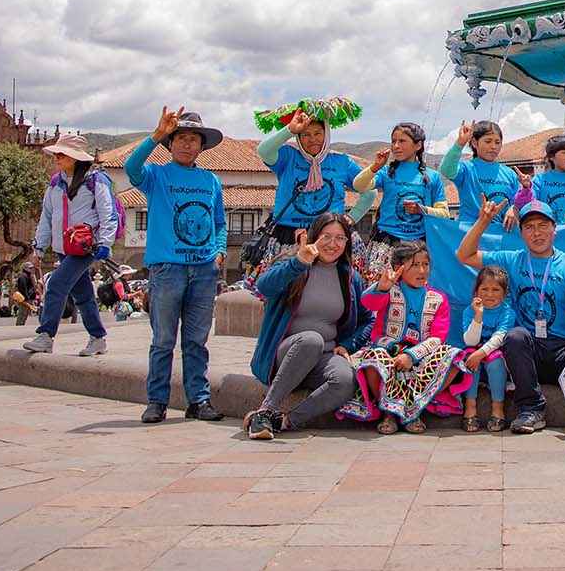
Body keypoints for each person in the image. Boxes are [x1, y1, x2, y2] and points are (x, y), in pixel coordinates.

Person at [457, 198, 565, 440]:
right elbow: (464, 255)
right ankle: (531, 409)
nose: (537, 232)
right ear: (521, 233)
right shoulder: (512, 260)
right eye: (529, 227)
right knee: (515, 336)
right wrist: (483, 221)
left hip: (563, 348)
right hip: (530, 351)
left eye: (543, 225)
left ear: (554, 229)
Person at [125, 108, 228, 425]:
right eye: (181, 138)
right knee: (163, 340)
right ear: (170, 144)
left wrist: (220, 252)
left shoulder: (211, 180)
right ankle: (157, 401)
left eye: (193, 139)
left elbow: (219, 222)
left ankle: (198, 399)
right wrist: (155, 134)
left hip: (204, 270)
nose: (187, 144)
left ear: (201, 146)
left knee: (196, 341)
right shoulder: (156, 176)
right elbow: (131, 167)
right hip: (167, 269)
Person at [243, 212, 373, 440]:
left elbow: (368, 320)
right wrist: (298, 263)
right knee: (311, 339)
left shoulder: (350, 277)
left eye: (340, 238)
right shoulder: (293, 262)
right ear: (314, 236)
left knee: (346, 379)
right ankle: (265, 410)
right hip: (287, 353)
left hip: (324, 356)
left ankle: (284, 421)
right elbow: (264, 287)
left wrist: (347, 344)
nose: (332, 244)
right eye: (326, 237)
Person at [339, 239, 470, 433]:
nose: (422, 271)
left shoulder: (438, 299)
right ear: (399, 268)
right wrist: (382, 287)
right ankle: (389, 413)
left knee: (453, 358)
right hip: (388, 353)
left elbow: (437, 337)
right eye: (414, 265)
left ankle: (411, 411)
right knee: (374, 360)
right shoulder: (389, 291)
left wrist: (412, 355)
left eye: (425, 264)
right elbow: (368, 303)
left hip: (420, 357)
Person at [254, 106, 376, 283]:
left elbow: (369, 191)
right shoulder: (288, 157)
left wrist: (352, 217)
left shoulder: (341, 162)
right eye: (305, 134)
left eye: (318, 133)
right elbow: (264, 151)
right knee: (285, 290)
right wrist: (290, 129)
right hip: (288, 237)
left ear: (326, 134)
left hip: (329, 237)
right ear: (298, 138)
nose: (312, 139)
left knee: (333, 287)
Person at [23, 133, 115, 358]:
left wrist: (105, 242)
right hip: (64, 248)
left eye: (61, 154)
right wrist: (38, 249)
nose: (56, 157)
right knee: (83, 295)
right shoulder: (56, 183)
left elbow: (107, 212)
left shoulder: (95, 180)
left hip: (85, 247)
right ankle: (97, 337)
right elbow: (47, 217)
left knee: (56, 285)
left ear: (74, 158)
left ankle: (46, 335)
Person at [351, 122, 449, 281]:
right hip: (386, 243)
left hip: (419, 246)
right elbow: (359, 185)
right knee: (380, 292)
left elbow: (444, 214)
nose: (396, 146)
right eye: (393, 141)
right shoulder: (386, 172)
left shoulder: (433, 177)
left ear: (418, 145)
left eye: (402, 141)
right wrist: (375, 166)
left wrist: (422, 210)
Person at [460, 265, 517, 433]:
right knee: (469, 358)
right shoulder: (469, 311)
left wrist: (481, 353)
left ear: (504, 293)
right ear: (477, 290)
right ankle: (470, 407)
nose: (489, 294)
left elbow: (499, 338)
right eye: (484, 289)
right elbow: (470, 341)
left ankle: (497, 408)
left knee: (495, 362)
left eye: (495, 289)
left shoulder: (508, 313)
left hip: (494, 358)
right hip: (475, 356)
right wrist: (478, 316)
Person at [439, 120, 521, 229]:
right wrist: (460, 143)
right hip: (471, 235)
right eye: (488, 141)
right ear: (474, 143)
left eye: (497, 142)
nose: (493, 146)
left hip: (504, 237)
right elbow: (446, 169)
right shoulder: (466, 169)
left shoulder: (510, 174)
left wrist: (515, 208)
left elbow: (521, 200)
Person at [11, 261, 40, 328]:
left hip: (28, 298)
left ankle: (21, 325)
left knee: (25, 314)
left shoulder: (29, 276)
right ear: (25, 268)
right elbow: (22, 288)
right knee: (22, 313)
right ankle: (19, 326)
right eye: (30, 268)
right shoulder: (23, 276)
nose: (31, 269)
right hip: (24, 299)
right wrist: (26, 298)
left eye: (32, 268)